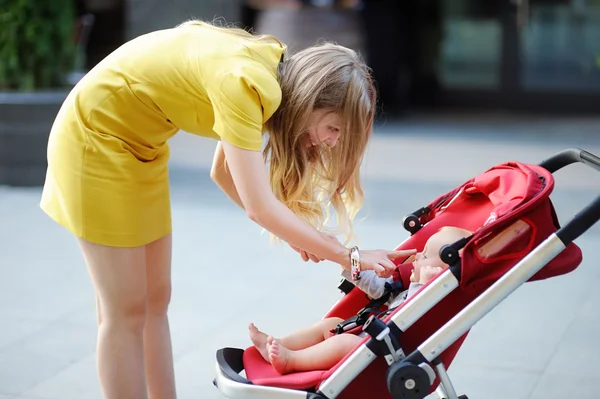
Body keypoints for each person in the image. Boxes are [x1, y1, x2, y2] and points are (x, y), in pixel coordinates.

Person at [39, 19, 416, 399]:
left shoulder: (272, 74)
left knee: (155, 300)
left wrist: (300, 235)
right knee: (125, 312)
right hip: (96, 141)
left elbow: (222, 173)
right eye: (334, 128)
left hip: (140, 150)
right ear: (314, 100)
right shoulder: (246, 84)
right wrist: (348, 256)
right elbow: (258, 207)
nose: (333, 143)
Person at [248, 226, 472, 374]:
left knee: (344, 344)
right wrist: (349, 262)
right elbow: (379, 290)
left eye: (424, 256)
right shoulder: (408, 289)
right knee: (331, 323)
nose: (416, 257)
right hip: (372, 339)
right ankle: (279, 344)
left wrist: (425, 287)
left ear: (439, 273)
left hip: (385, 356)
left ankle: (291, 360)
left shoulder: (430, 300)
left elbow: (413, 317)